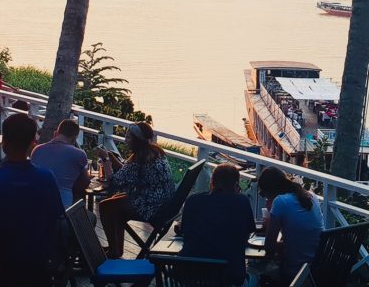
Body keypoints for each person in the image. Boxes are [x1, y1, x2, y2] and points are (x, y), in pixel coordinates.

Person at [0, 113, 64, 287]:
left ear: (4, 144)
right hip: (36, 268)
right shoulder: (46, 179)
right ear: (33, 143)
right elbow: (56, 223)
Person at [98, 121, 175, 258]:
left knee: (105, 206)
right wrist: (112, 159)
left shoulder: (140, 157)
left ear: (137, 141)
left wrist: (105, 159)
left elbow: (114, 182)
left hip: (151, 207)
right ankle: (115, 249)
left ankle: (114, 250)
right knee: (114, 202)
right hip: (164, 204)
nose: (125, 140)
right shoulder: (155, 152)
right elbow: (127, 173)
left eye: (128, 137)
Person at [181, 163, 255, 286]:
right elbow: (245, 236)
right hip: (229, 275)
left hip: (192, 273)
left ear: (212, 182)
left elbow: (186, 233)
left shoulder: (192, 201)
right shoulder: (242, 201)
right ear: (236, 185)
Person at [258, 167, 323, 282]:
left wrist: (271, 213)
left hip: (297, 273)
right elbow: (299, 235)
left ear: (270, 190)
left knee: (258, 273)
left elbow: (269, 247)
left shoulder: (280, 202)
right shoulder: (311, 196)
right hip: (318, 269)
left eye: (264, 194)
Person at [30, 119, 90, 208]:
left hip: (35, 203)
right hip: (62, 207)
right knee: (89, 215)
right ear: (74, 138)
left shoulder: (37, 150)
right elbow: (85, 182)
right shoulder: (79, 154)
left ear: (56, 133)